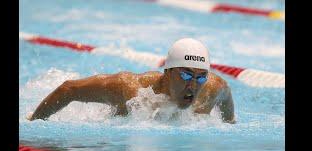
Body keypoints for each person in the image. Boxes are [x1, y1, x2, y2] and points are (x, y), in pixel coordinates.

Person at [27, 38, 235, 123]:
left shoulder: (212, 89)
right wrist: (33, 125)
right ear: (168, 72)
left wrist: (230, 122)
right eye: (187, 74)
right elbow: (69, 89)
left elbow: (226, 95)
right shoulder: (130, 89)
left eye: (200, 77)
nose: (193, 84)